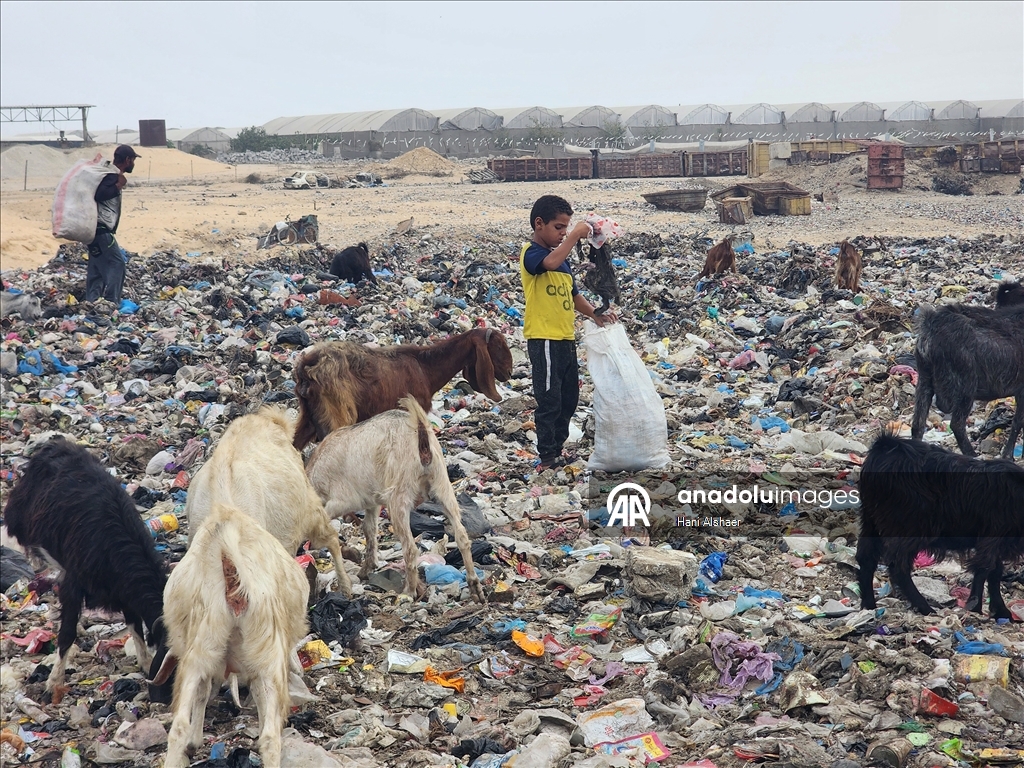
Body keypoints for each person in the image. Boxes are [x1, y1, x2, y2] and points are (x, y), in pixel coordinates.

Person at [520, 194, 617, 471]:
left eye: (566, 227)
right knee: (549, 399)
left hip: (564, 338)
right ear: (539, 224)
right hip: (544, 338)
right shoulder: (532, 253)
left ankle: (558, 448)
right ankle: (547, 455)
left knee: (568, 398)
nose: (563, 233)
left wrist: (595, 314)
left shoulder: (562, 263)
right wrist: (575, 236)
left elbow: (573, 295)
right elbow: (548, 264)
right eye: (559, 227)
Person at [86, 144, 139, 304]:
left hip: (93, 231)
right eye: (133, 160)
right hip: (101, 230)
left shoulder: (109, 174)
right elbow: (100, 194)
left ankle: (91, 301)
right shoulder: (111, 176)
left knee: (96, 268)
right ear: (127, 160)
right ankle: (111, 302)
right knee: (117, 264)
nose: (134, 164)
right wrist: (118, 185)